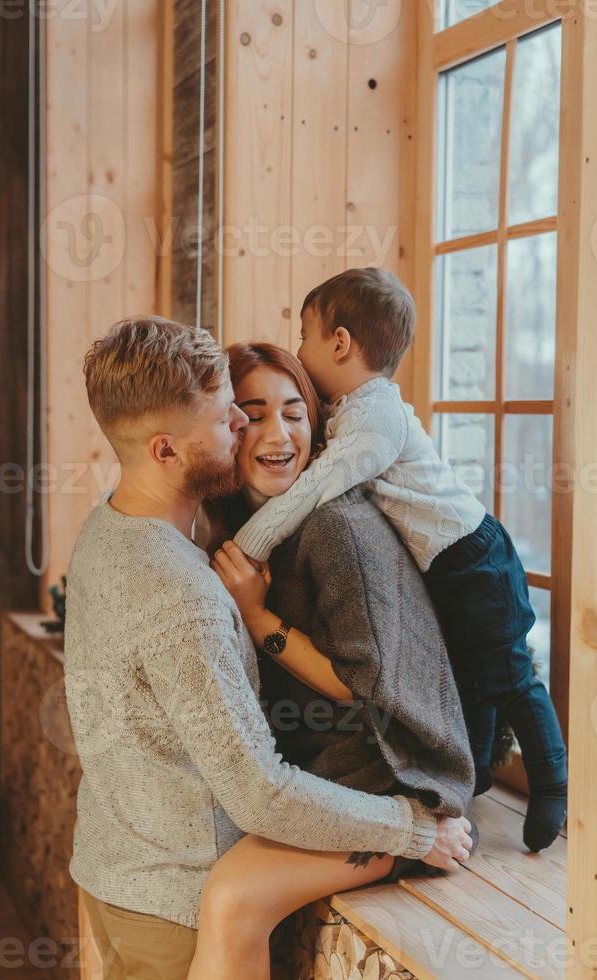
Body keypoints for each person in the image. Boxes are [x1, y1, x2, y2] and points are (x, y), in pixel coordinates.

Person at [63, 317, 473, 980]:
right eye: (230, 415)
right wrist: (415, 830)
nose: (244, 427)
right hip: (174, 901)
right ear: (166, 451)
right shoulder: (184, 591)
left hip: (114, 870)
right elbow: (260, 794)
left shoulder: (107, 530)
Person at [233, 267, 568, 854]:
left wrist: (248, 548)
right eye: (253, 415)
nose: (303, 349)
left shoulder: (375, 423)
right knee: (470, 679)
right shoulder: (353, 412)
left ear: (339, 343)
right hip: (449, 562)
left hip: (475, 558)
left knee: (510, 680)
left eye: (306, 336)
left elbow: (322, 485)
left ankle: (553, 786)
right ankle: (478, 779)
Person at [187, 342, 476, 980]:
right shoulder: (241, 525)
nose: (278, 433)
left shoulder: (336, 529)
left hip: (391, 780)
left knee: (233, 900)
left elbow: (360, 688)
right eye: (254, 414)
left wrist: (260, 618)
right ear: (226, 429)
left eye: (295, 413)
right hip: (313, 773)